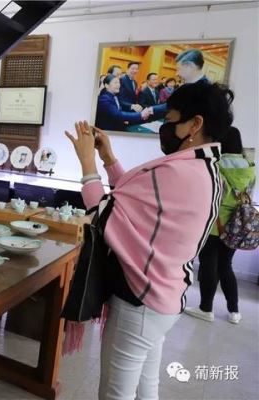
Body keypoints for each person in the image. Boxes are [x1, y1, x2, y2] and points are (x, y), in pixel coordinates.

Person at [65, 82, 234, 400]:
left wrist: (87, 163)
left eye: (170, 120)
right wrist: (108, 158)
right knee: (146, 387)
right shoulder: (204, 168)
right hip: (164, 297)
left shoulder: (180, 173)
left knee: (116, 394)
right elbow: (137, 200)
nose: (165, 128)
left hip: (139, 301)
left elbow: (103, 213)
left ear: (195, 124)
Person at [185, 127, 256, 324]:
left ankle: (206, 309)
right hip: (237, 226)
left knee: (209, 265)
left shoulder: (215, 164)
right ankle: (234, 311)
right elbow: (247, 197)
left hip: (213, 223)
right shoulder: (250, 167)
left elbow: (209, 195)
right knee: (226, 266)